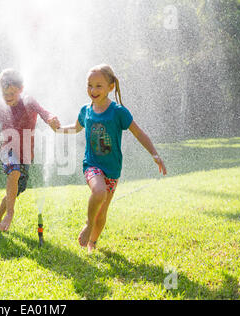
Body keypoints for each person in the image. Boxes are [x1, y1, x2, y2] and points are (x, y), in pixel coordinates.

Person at [55, 64, 167, 253]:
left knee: (102, 212)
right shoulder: (86, 110)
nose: (93, 90)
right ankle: (88, 226)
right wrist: (57, 129)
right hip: (92, 165)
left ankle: (93, 241)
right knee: (99, 192)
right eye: (90, 85)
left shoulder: (118, 111)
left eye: (99, 85)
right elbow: (75, 128)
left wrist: (155, 154)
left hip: (112, 169)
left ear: (110, 87)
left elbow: (139, 133)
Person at [0, 69, 61, 231]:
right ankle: (10, 214)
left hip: (26, 154)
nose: (8, 97)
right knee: (14, 171)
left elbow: (43, 112)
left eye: (12, 93)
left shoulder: (28, 101)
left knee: (16, 190)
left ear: (21, 89)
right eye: (4, 93)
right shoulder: (0, 105)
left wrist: (51, 118)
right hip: (7, 148)